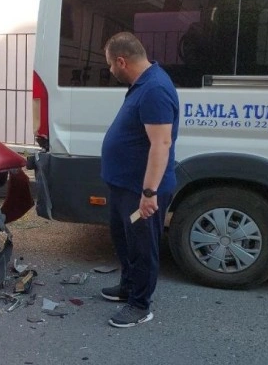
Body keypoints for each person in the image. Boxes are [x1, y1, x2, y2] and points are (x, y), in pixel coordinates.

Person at [99, 32, 179, 328]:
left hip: (140, 189)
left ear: (122, 61)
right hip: (124, 185)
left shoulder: (155, 89)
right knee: (125, 240)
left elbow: (161, 144)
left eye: (110, 64)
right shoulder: (143, 84)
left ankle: (140, 305)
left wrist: (149, 192)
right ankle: (128, 287)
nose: (110, 70)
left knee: (143, 247)